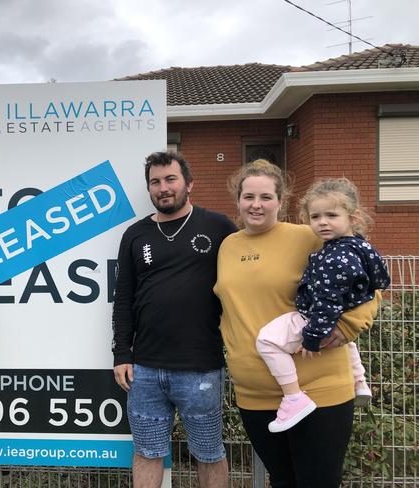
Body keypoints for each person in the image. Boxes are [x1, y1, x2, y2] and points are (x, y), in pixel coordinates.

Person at [214, 159, 380, 488]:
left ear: (281, 200)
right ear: (237, 200)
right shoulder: (227, 247)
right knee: (284, 482)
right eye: (248, 197)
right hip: (254, 395)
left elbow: (366, 287)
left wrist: (346, 328)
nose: (256, 205)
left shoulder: (310, 236)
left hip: (318, 390)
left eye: (265, 197)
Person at [112, 151, 236, 488]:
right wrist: (122, 353)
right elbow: (124, 298)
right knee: (147, 451)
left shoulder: (219, 226)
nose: (163, 188)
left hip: (201, 367)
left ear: (189, 183)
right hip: (145, 369)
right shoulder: (135, 235)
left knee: (209, 452)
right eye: (155, 182)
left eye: (171, 179)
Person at [256, 177, 390, 433]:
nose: (322, 222)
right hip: (340, 313)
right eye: (316, 217)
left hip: (315, 317)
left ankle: (293, 397)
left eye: (331, 215)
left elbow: (327, 301)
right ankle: (359, 381)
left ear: (353, 216)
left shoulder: (335, 257)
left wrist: (312, 337)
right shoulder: (361, 246)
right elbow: (380, 280)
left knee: (267, 341)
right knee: (347, 340)